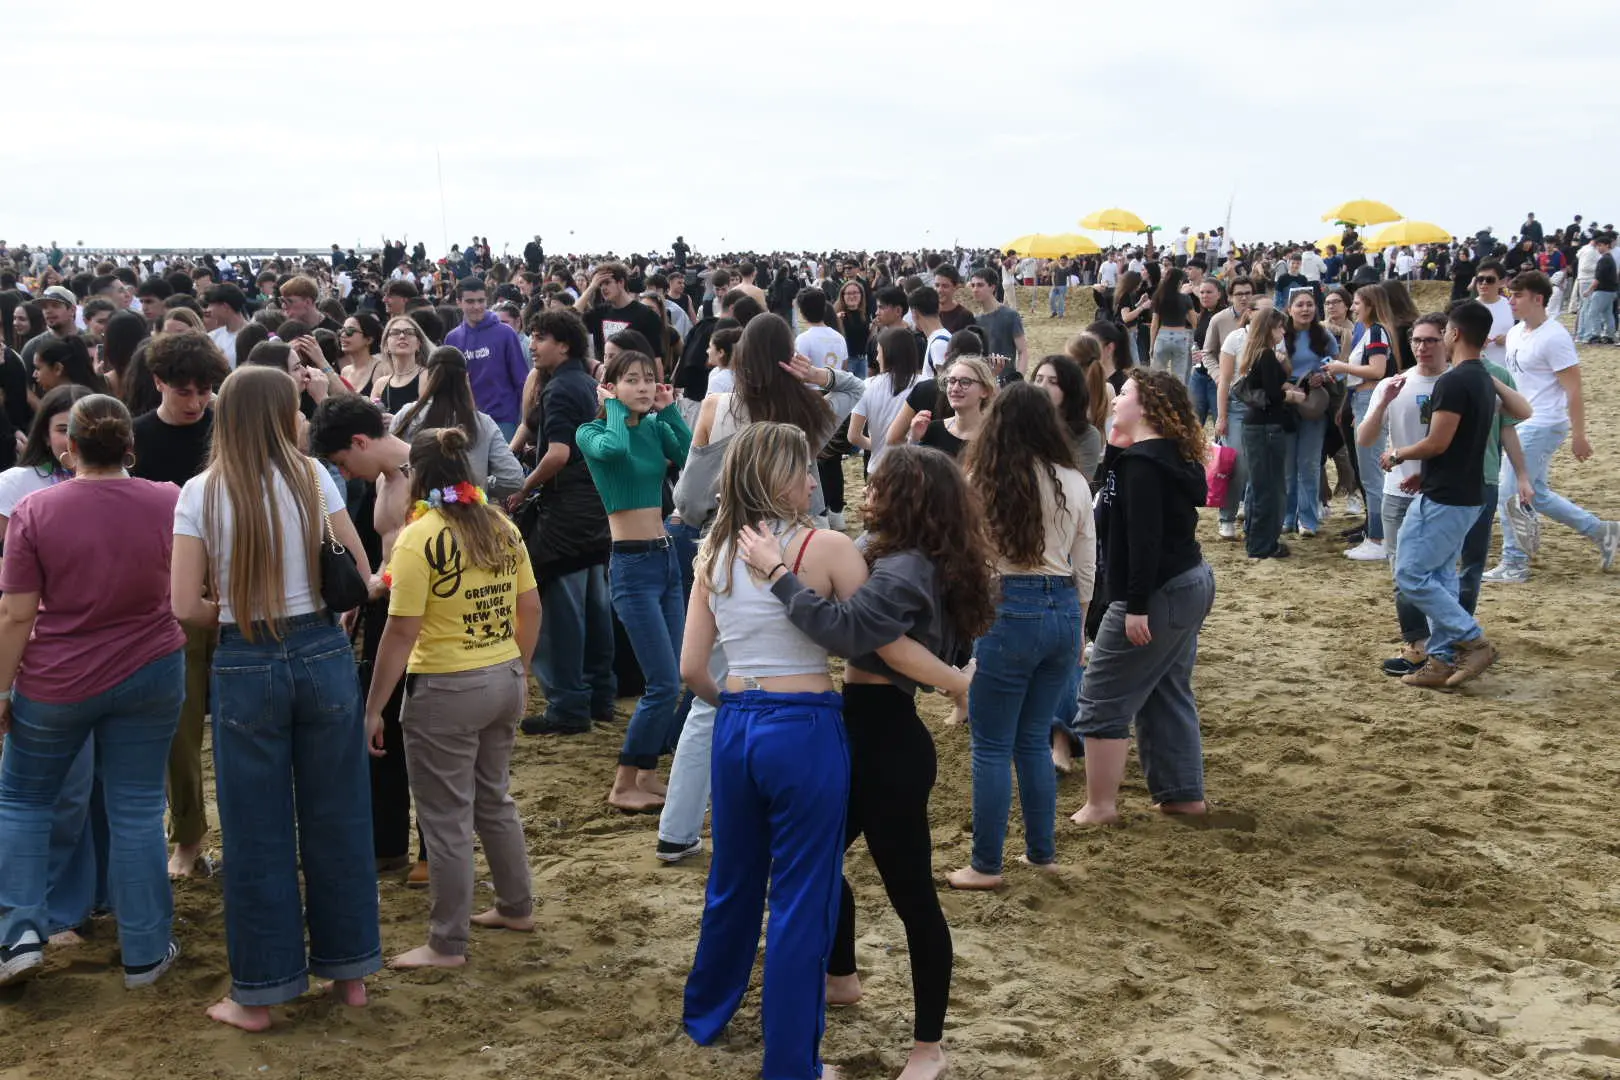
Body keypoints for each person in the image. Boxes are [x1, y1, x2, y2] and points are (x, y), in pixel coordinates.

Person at [678, 423, 964, 1080]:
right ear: (774, 477)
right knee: (804, 897)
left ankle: (705, 1015)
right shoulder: (828, 546)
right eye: (803, 470)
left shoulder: (712, 552)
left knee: (734, 881)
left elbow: (693, 669)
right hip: (803, 726)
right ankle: (792, 1064)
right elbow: (882, 641)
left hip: (736, 724)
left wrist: (740, 706)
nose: (814, 482)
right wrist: (957, 681)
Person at [170, 365, 380, 1031]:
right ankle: (350, 976)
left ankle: (258, 993)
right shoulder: (314, 477)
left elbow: (183, 604)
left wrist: (237, 612)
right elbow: (360, 572)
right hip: (321, 650)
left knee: (256, 832)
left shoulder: (201, 493)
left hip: (246, 654)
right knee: (338, 816)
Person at [0, 394, 186, 989]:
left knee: (25, 801)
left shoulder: (35, 509)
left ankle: (18, 934)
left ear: (68, 446)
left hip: (57, 677)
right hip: (152, 667)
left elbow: (15, 614)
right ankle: (146, 951)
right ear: (129, 447)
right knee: (135, 807)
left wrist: (1, 689)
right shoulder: (169, 499)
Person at [662, 316, 861, 863]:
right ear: (787, 355)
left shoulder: (718, 407)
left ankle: (677, 828)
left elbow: (688, 493)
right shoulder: (810, 410)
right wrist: (818, 375)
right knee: (799, 656)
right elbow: (859, 391)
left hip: (727, 543)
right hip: (801, 545)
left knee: (713, 692)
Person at [364, 428, 540, 968]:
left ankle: (447, 942)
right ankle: (515, 905)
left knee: (444, 817)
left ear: (417, 476)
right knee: (493, 798)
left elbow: (400, 633)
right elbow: (530, 607)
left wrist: (373, 707)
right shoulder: (499, 524)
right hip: (500, 672)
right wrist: (520, 669)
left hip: (446, 686)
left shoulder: (421, 536)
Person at [949, 382, 1094, 891]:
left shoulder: (982, 478)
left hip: (1009, 605)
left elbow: (969, 557)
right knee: (1033, 739)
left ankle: (986, 864)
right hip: (1059, 606)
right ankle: (1041, 854)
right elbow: (1087, 564)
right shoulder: (1073, 480)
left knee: (990, 745)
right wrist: (1077, 625)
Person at [1072, 370, 1214, 825]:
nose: (1115, 399)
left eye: (1126, 394)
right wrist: (1115, 443)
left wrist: (1133, 608)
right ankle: (1182, 796)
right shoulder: (1157, 455)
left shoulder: (1144, 466)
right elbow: (1110, 496)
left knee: (1100, 697)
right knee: (1166, 689)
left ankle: (1099, 806)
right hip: (1186, 581)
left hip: (1157, 589)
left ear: (1148, 407)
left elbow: (1142, 542)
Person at [130, 332, 231, 878]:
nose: (194, 400)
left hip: (237, 586)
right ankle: (187, 838)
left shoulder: (228, 429)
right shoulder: (138, 438)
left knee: (243, 721)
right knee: (181, 725)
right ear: (159, 382)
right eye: (183, 389)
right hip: (169, 594)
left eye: (204, 389)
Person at [577, 349, 692, 813]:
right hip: (630, 565)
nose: (643, 387)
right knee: (662, 682)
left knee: (676, 677)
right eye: (631, 380)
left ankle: (647, 774)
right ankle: (624, 783)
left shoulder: (655, 427)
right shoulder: (592, 431)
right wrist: (617, 412)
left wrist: (669, 412)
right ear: (610, 386)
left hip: (667, 560)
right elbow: (614, 450)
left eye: (650, 379)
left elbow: (688, 456)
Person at [1380, 302, 1503, 689]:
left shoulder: (1454, 381)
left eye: (1445, 331)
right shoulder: (1482, 377)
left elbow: (1437, 442)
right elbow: (1459, 443)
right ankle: (1441, 659)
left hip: (1447, 496)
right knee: (1440, 576)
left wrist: (1399, 454)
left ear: (1455, 334)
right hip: (1464, 491)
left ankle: (1473, 640)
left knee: (1411, 574)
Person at [508, 309, 615, 738]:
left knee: (561, 613)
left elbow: (557, 454)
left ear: (564, 344)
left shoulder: (560, 389)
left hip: (566, 513)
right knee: (595, 607)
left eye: (540, 337)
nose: (532, 344)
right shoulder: (586, 383)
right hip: (595, 508)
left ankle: (569, 705)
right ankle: (600, 697)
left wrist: (522, 490)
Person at [1484, 270, 1620, 582]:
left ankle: (1514, 562)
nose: (1512, 301)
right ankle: (1603, 531)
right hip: (1521, 421)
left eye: (1518, 296)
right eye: (1510, 295)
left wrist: (1580, 435)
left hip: (1543, 423)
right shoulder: (1517, 333)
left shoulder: (1555, 337)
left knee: (1510, 491)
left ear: (1538, 299)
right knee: (1537, 493)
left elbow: (1574, 389)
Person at [1325, 285, 1399, 561]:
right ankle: (1377, 535)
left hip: (1369, 398)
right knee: (1370, 474)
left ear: (1370, 304)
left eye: (1356, 303)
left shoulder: (1376, 331)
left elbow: (1377, 370)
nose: (1353, 308)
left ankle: (1379, 539)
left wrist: (1342, 367)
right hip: (1364, 399)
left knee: (1372, 475)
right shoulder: (1370, 331)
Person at [391, 347, 524, 500]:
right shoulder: (482, 423)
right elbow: (513, 479)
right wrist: (477, 487)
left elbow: (389, 467)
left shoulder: (407, 416)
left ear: (428, 376)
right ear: (465, 379)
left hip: (417, 514)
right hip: (469, 517)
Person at [1234, 308, 1300, 559]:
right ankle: (1262, 544)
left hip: (1256, 426)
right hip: (1267, 427)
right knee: (1270, 487)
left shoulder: (1255, 355)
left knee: (1260, 486)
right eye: (1280, 327)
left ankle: (1256, 538)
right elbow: (1273, 395)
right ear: (1269, 328)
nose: (1283, 331)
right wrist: (1291, 395)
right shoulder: (1266, 355)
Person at [1279, 289, 1339, 536]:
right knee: (1287, 465)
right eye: (1300, 305)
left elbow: (1338, 369)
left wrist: (1323, 376)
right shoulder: (1280, 335)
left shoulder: (1324, 335)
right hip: (1286, 402)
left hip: (1314, 404)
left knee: (1310, 463)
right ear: (1289, 309)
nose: (1305, 309)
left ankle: (1308, 520)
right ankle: (1287, 517)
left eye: (1310, 305)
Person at [849, 327, 923, 477]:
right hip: (915, 469)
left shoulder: (867, 385)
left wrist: (876, 445)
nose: (876, 358)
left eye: (878, 352)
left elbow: (853, 436)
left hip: (879, 469)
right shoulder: (924, 384)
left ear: (887, 354)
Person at [902, 356, 997, 459]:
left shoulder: (994, 435)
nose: (955, 388)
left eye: (965, 382)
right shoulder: (933, 430)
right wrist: (913, 439)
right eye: (951, 381)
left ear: (985, 391)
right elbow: (913, 470)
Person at [1031, 353, 1105, 481]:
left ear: (1069, 390)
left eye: (1053, 382)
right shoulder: (1021, 424)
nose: (1042, 387)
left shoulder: (1088, 435)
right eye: (1038, 380)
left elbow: (1077, 486)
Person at [969, 268, 1028, 376]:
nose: (975, 289)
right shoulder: (975, 320)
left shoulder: (1010, 315)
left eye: (980, 285)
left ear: (992, 287)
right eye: (972, 285)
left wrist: (1018, 379)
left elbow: (1023, 351)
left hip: (1007, 382)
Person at [368, 315, 430, 416]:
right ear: (386, 345)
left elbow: (427, 419)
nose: (402, 336)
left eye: (409, 332)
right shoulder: (380, 384)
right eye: (395, 333)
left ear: (418, 344)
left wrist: (395, 421)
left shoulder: (426, 376)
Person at [1149, 266, 1196, 383]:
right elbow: (1194, 321)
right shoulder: (1185, 299)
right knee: (1179, 376)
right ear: (1180, 282)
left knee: (1157, 375)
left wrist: (1151, 345)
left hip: (1163, 335)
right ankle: (1177, 399)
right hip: (1181, 335)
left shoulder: (1158, 297)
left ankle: (1157, 398)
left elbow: (1154, 324)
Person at [338, 313, 385, 391]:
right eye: (342, 330)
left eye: (350, 331)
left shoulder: (381, 369)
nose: (343, 335)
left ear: (369, 339)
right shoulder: (345, 371)